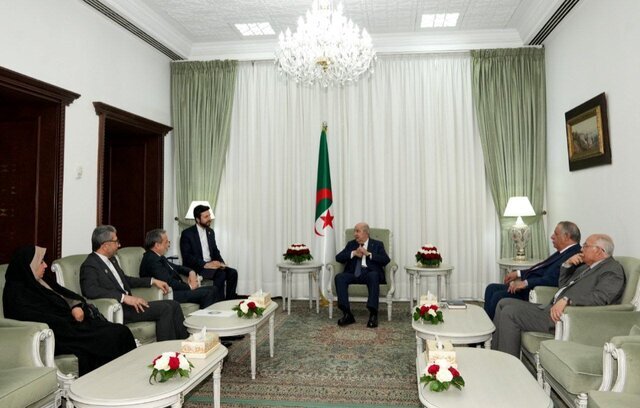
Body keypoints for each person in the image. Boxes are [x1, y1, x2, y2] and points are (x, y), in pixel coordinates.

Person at [3, 245, 136, 375]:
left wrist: (76, 306)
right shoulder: (16, 293)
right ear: (29, 266)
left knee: (121, 331)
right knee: (113, 336)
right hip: (60, 334)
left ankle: (128, 375)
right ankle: (113, 379)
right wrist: (70, 318)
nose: (45, 265)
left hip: (73, 325)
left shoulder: (42, 281)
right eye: (41, 262)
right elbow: (36, 318)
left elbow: (68, 296)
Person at [491, 234, 626, 357]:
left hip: (565, 316)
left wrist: (568, 300)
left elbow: (601, 297)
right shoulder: (585, 267)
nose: (581, 249)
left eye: (586, 246)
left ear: (599, 250)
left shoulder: (612, 270)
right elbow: (563, 285)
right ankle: (496, 354)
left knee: (510, 312)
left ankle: (508, 363)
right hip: (551, 307)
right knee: (503, 302)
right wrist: (567, 264)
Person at [80, 225, 189, 341]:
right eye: (116, 241)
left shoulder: (111, 260)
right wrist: (123, 297)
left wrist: (152, 281)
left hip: (130, 306)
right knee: (165, 308)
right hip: (119, 309)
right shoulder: (90, 265)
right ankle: (165, 349)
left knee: (174, 304)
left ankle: (185, 344)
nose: (119, 245)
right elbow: (90, 290)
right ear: (105, 245)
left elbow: (126, 280)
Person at [484, 221, 582, 319]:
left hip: (536, 292)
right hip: (530, 287)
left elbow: (554, 279)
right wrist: (518, 273)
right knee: (491, 288)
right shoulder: (563, 252)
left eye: (556, 234)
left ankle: (491, 326)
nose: (552, 237)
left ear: (566, 236)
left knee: (498, 296)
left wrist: (525, 283)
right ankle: (487, 323)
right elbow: (541, 269)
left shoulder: (573, 255)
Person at [140, 228, 222, 308]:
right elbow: (168, 282)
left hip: (176, 290)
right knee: (207, 293)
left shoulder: (158, 256)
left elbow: (177, 267)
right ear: (157, 245)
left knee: (214, 289)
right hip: (168, 294)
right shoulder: (151, 260)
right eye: (166, 242)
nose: (168, 245)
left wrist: (191, 272)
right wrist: (189, 287)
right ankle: (204, 316)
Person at [335, 222, 390, 328]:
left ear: (366, 233)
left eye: (357, 231)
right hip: (353, 274)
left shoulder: (377, 244)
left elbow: (385, 260)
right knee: (339, 277)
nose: (355, 234)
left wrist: (368, 254)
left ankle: (373, 314)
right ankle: (347, 314)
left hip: (369, 274)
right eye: (354, 231)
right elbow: (338, 257)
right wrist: (353, 253)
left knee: (374, 275)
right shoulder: (351, 244)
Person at [180, 205, 238, 300]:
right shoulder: (187, 233)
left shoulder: (210, 232)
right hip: (198, 267)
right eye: (206, 217)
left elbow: (215, 251)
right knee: (221, 274)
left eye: (209, 215)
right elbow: (187, 257)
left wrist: (221, 263)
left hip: (211, 266)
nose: (209, 219)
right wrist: (206, 264)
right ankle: (218, 303)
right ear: (198, 219)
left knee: (233, 273)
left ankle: (229, 301)